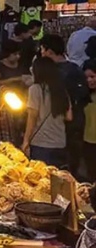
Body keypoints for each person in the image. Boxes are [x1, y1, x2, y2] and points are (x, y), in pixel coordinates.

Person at [40, 33, 90, 175]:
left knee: (57, 169)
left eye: (42, 50)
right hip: (77, 124)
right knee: (71, 165)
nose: (41, 54)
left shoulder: (53, 73)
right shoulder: (75, 69)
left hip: (60, 127)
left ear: (49, 51)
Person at [23, 57, 71, 167]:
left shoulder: (35, 89)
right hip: (60, 142)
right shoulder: (61, 90)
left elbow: (32, 117)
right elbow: (69, 116)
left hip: (41, 144)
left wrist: (26, 141)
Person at [82, 59, 96, 180]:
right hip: (88, 143)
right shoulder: (84, 96)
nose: (89, 80)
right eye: (87, 77)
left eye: (93, 76)